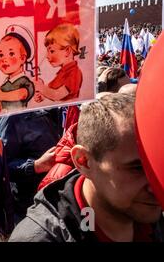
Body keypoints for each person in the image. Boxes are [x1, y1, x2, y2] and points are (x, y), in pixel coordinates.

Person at [10, 93, 164, 242]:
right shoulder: (37, 238)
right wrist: (34, 165)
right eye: (137, 168)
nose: (157, 185)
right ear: (84, 161)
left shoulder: (152, 219)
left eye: (158, 164)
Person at [0, 110, 61, 222]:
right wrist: (35, 165)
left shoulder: (59, 108)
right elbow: (2, 166)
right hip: (30, 207)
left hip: (57, 199)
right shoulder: (12, 118)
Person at [34, 23, 83, 101]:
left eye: (52, 51)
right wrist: (41, 96)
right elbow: (51, 90)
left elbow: (57, 95)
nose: (47, 56)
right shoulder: (61, 73)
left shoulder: (74, 73)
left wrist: (41, 88)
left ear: (67, 51)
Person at [0, 26, 35, 112]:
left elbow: (21, 94)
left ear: (23, 59)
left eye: (11, 54)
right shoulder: (4, 86)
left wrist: (1, 95)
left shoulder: (24, 81)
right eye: (1, 55)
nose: (4, 59)